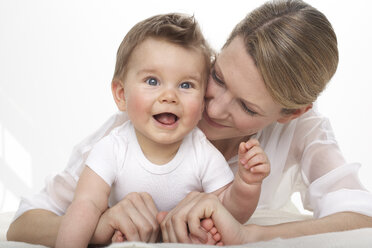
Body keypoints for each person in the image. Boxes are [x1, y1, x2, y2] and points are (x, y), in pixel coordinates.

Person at [7, 0, 372, 246]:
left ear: (291, 113)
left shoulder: (301, 129)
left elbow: (361, 220)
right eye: (218, 77)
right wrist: (99, 228)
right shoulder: (137, 129)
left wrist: (247, 234)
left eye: (246, 106)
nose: (213, 109)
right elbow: (24, 221)